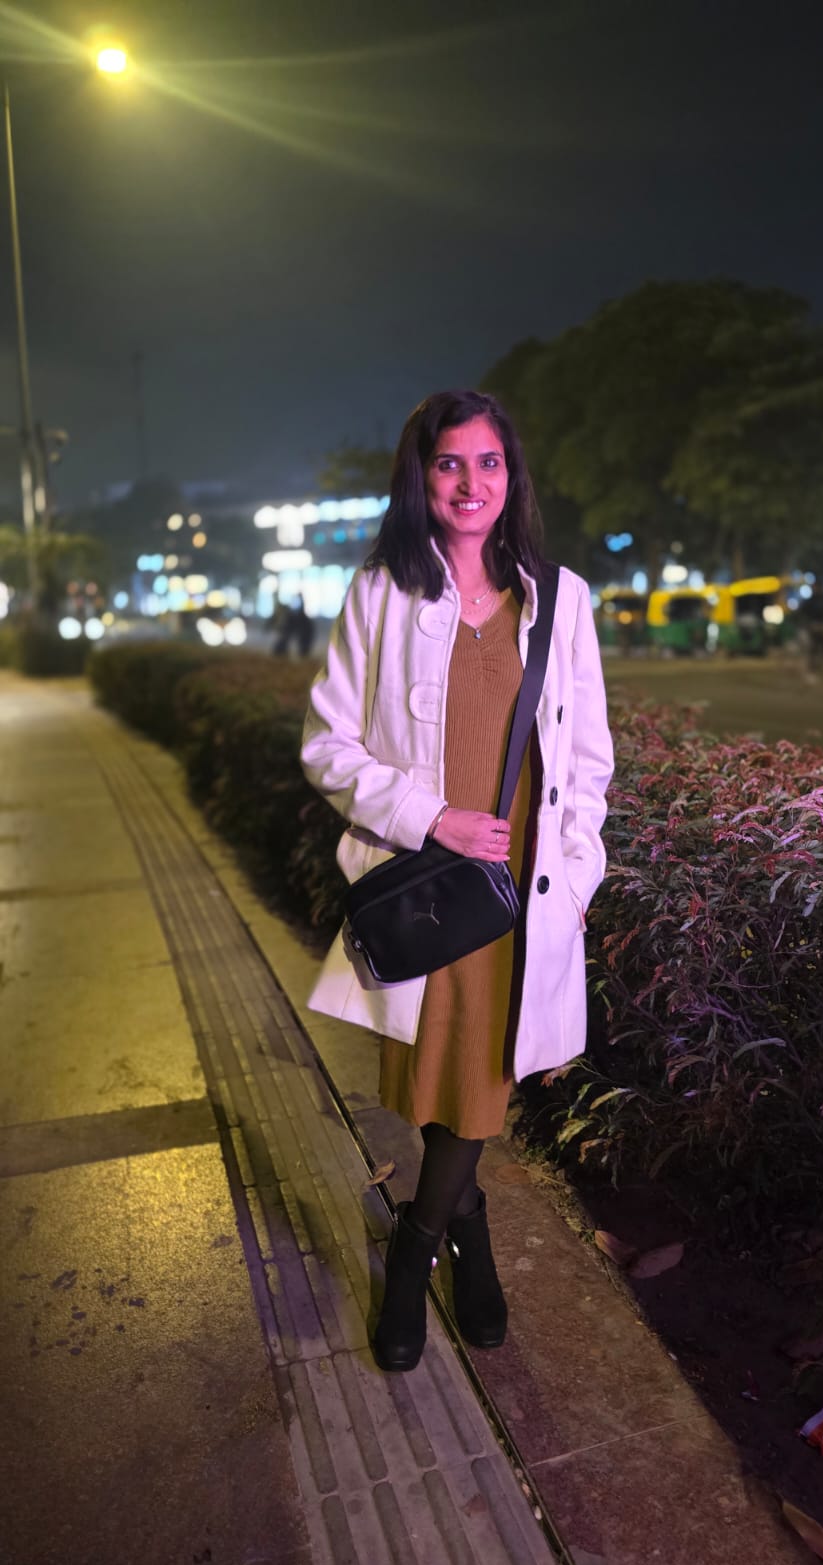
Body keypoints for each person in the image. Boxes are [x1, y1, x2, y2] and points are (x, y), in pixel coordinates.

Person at [301, 390, 614, 1372]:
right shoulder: (381, 595)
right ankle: (463, 1233)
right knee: (443, 1092)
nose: (470, 483)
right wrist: (427, 815)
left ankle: (415, 1252)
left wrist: (578, 871)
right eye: (450, 464)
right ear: (421, 477)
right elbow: (327, 743)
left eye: (488, 463)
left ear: (511, 476)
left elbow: (591, 760)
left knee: (477, 1088)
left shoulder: (560, 600)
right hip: (432, 885)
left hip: (522, 899)